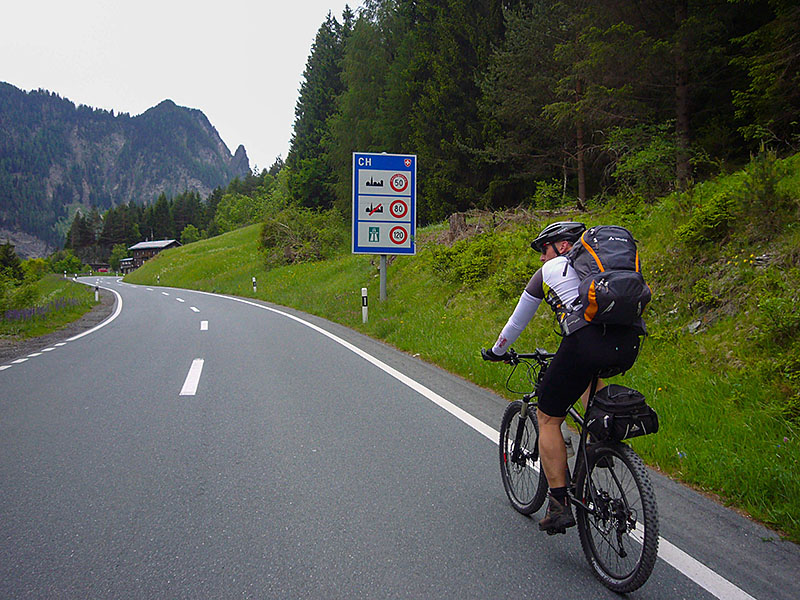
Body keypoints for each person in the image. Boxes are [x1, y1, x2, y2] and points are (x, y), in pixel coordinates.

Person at [481, 221, 642, 534]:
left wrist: (497, 351)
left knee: (548, 417)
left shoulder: (551, 270)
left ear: (563, 246)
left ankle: (558, 504)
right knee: (587, 379)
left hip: (585, 343)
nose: (542, 257)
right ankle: (601, 441)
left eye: (545, 248)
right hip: (628, 342)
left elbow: (516, 323)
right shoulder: (601, 270)